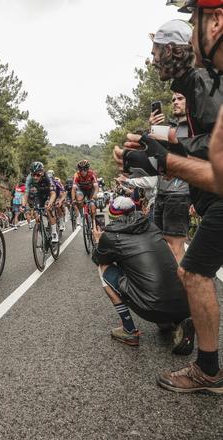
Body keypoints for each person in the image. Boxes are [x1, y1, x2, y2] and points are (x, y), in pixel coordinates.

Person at [114, 15, 223, 393]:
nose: (153, 59)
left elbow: (210, 143)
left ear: (175, 51)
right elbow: (187, 133)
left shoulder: (200, 80)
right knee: (193, 273)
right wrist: (146, 138)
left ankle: (208, 370)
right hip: (209, 197)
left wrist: (154, 155)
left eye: (157, 51)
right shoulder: (192, 82)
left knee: (193, 273)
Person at [91, 196, 193, 352]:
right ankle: (175, 320)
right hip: (183, 304)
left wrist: (99, 241)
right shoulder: (152, 226)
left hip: (151, 307)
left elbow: (97, 258)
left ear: (112, 215)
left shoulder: (111, 236)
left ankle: (129, 330)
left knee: (103, 266)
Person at [149, 92, 191, 262]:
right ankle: (170, 284)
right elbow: (154, 156)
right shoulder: (169, 128)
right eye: (173, 99)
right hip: (161, 194)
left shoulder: (194, 127)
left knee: (175, 246)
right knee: (160, 245)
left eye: (180, 98)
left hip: (179, 194)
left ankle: (180, 287)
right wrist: (151, 129)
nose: (175, 102)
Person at [22, 161, 58, 242]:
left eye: (38, 175)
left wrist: (50, 203)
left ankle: (54, 233)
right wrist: (23, 205)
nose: (35, 177)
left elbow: (53, 194)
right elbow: (26, 194)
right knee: (36, 213)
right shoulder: (29, 179)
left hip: (49, 193)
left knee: (48, 208)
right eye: (33, 174)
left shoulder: (48, 177)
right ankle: (43, 235)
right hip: (39, 194)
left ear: (42, 173)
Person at [71, 160, 99, 226]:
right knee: (79, 200)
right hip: (82, 190)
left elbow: (96, 187)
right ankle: (81, 216)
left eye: (84, 169)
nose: (83, 172)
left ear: (87, 169)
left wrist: (94, 197)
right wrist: (73, 200)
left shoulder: (92, 174)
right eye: (81, 170)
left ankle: (94, 222)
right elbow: (73, 189)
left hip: (91, 190)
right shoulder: (76, 175)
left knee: (92, 206)